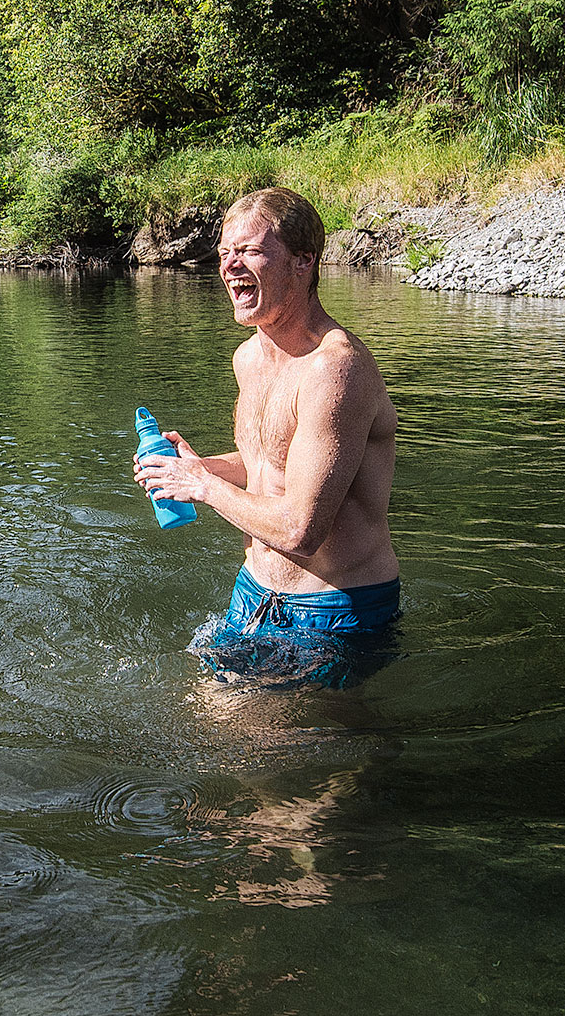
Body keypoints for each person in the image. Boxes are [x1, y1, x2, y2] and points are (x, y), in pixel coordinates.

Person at [133, 187, 402, 683]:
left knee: (290, 750)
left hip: (335, 610)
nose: (231, 265)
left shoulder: (336, 370)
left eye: (250, 251)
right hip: (254, 594)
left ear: (304, 261)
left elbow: (303, 530)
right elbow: (267, 463)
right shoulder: (249, 359)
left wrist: (205, 487)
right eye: (224, 253)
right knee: (218, 737)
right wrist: (194, 467)